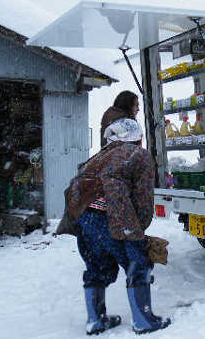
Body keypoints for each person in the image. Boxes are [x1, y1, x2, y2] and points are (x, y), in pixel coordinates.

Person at [66, 118, 170, 335]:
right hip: (112, 214)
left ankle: (96, 321)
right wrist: (139, 231)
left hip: (83, 216)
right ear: (136, 137)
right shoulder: (139, 155)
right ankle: (143, 321)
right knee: (137, 263)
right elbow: (143, 198)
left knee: (97, 265)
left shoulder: (100, 156)